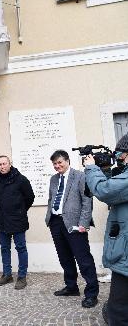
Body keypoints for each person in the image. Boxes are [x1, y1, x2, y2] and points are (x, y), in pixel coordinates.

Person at [84, 133, 128, 324]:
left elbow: (105, 191)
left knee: (118, 307)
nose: (119, 157)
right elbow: (117, 188)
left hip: (125, 253)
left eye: (121, 153)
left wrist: (91, 168)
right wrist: (106, 170)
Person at [46, 150, 98, 308]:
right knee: (65, 258)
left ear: (67, 161)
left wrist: (84, 223)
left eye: (60, 162)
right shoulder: (53, 179)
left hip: (75, 224)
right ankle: (71, 287)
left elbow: (87, 201)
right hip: (56, 222)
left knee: (84, 260)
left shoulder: (80, 176)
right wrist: (49, 217)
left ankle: (91, 294)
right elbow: (51, 198)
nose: (57, 166)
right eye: (54, 163)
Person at [0, 155, 35, 289]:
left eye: (4, 164)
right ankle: (7, 274)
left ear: (10, 164)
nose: (2, 166)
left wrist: (20, 210)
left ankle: (22, 277)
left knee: (21, 248)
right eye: (0, 164)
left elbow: (30, 197)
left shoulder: (21, 179)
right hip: (2, 220)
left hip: (18, 220)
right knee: (4, 248)